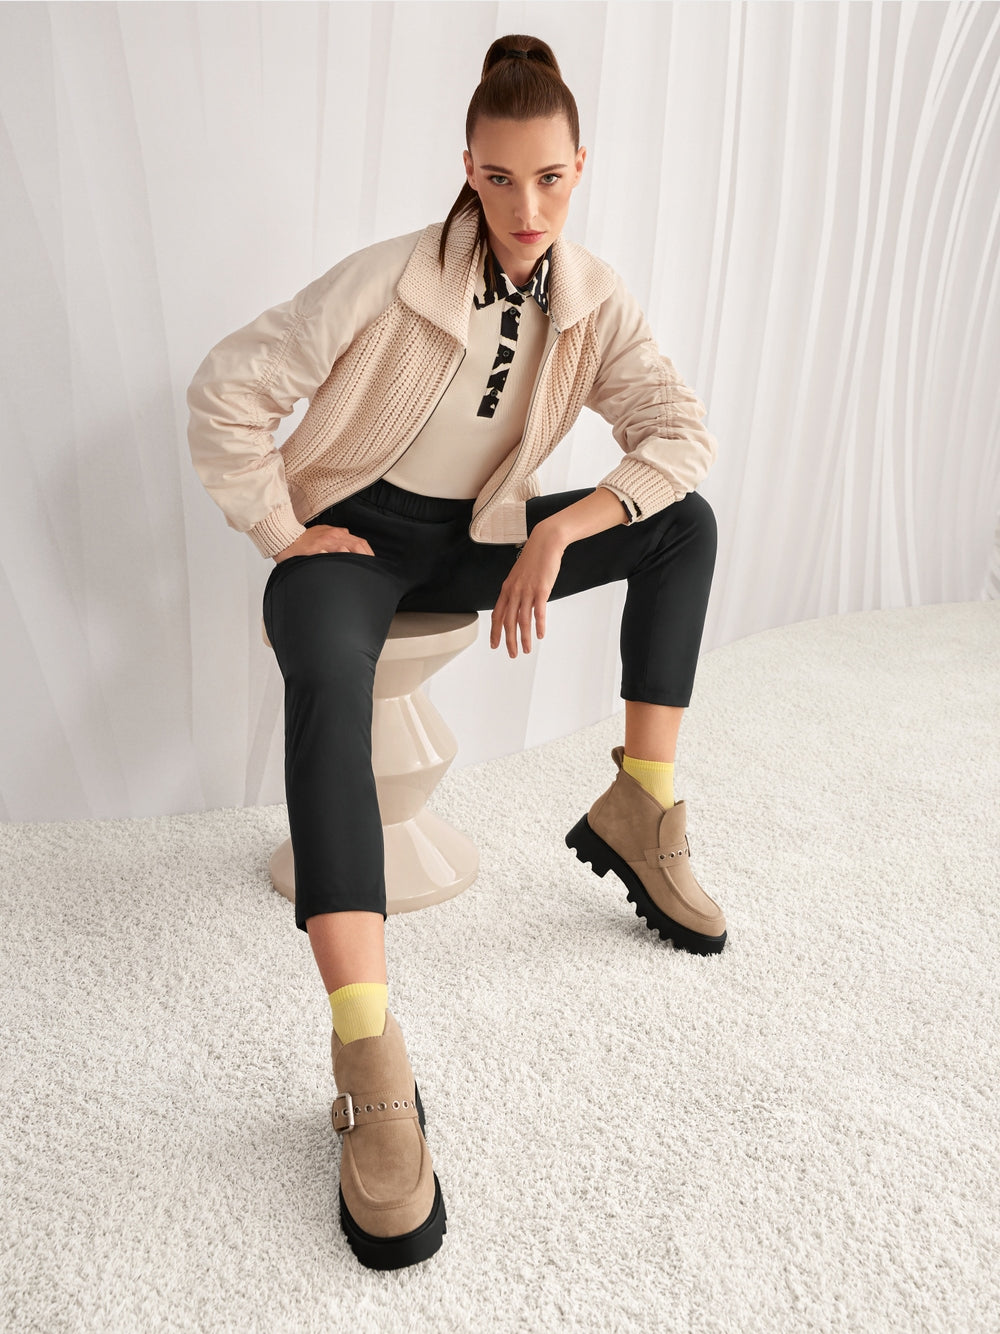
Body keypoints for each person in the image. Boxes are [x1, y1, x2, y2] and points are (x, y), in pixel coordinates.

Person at [186, 34, 726, 1272]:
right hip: (351, 541)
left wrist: (565, 529)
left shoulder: (592, 297)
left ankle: (642, 805)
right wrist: (281, 526)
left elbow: (678, 433)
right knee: (327, 676)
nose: (526, 207)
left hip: (480, 539)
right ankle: (368, 1050)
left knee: (681, 524)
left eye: (550, 178)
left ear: (580, 168)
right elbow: (226, 390)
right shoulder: (388, 280)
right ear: (467, 169)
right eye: (498, 177)